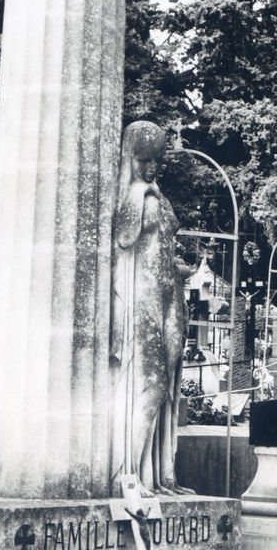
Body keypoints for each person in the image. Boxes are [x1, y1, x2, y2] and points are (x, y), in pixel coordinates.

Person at [110, 121, 192, 495]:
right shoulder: (135, 194)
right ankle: (127, 471)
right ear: (130, 158)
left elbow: (165, 246)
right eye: (143, 160)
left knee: (169, 387)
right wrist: (140, 191)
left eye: (157, 161)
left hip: (169, 294)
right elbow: (125, 237)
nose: (151, 168)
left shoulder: (160, 196)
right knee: (153, 384)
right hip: (142, 297)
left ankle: (159, 476)